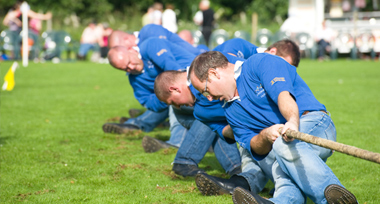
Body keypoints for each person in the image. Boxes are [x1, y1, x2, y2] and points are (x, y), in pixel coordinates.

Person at [188, 50, 358, 203]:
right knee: (283, 170)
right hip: (283, 149)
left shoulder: (259, 63)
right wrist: (265, 135)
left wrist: (292, 121)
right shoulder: (230, 112)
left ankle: (330, 198)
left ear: (214, 73)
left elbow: (282, 94)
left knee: (282, 148)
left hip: (315, 123)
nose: (208, 98)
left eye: (205, 90)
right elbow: (254, 146)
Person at [154, 39, 300, 196]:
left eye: (172, 102)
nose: (177, 107)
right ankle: (239, 178)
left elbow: (256, 67)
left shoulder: (230, 56)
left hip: (277, 121)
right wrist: (241, 129)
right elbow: (220, 130)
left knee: (268, 158)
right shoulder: (201, 108)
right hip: (251, 133)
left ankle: (245, 181)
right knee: (252, 156)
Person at [105, 38, 241, 177]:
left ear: (131, 50)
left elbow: (172, 69)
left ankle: (235, 168)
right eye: (126, 69)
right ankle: (187, 160)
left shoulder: (150, 45)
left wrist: (169, 92)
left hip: (187, 87)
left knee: (211, 119)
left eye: (129, 62)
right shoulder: (134, 80)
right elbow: (150, 103)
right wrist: (167, 98)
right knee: (208, 116)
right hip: (182, 97)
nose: (131, 67)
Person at [108, 24, 201, 55]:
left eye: (121, 49)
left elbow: (165, 50)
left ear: (126, 39)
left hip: (197, 58)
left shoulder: (149, 31)